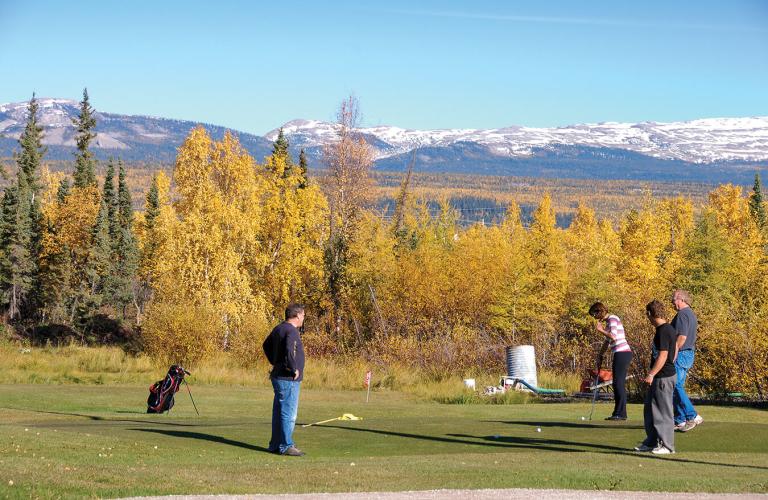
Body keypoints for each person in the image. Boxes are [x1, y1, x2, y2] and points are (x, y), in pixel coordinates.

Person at [634, 300, 677, 455]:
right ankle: (652, 442)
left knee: (663, 412)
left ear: (649, 314)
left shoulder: (664, 330)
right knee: (650, 410)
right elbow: (675, 349)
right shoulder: (664, 329)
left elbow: (663, 355)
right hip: (660, 376)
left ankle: (667, 446)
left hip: (663, 377)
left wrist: (651, 374)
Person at [263, 303, 306, 456]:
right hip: (288, 378)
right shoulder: (291, 331)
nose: (303, 318)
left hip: (278, 375)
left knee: (279, 412)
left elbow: (266, 345)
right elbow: (289, 349)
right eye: (303, 315)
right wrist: (293, 368)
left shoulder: (279, 328)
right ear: (297, 315)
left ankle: (275, 445)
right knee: (289, 413)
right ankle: (286, 445)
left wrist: (275, 361)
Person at [589, 302, 633, 420]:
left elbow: (613, 336)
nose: (594, 317)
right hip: (620, 353)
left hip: (622, 353)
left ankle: (620, 414)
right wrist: (600, 355)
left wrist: (600, 330)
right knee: (617, 383)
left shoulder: (612, 319)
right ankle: (618, 413)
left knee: (618, 383)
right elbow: (607, 341)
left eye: (594, 314)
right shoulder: (609, 322)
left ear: (600, 311)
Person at [670, 289, 703, 432]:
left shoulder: (682, 314)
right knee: (676, 386)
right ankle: (680, 420)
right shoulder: (690, 314)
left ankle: (692, 416)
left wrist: (673, 353)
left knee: (675, 385)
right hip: (687, 353)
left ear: (681, 299)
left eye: (673, 300)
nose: (672, 302)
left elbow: (682, 337)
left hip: (681, 353)